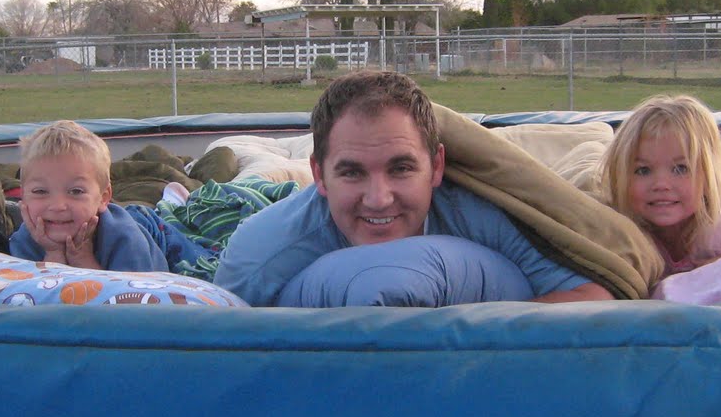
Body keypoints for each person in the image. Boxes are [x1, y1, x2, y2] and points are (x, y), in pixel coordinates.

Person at [214, 70, 615, 306]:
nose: (378, 198)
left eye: (401, 169)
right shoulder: (261, 253)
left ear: (436, 166)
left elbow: (591, 296)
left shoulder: (483, 214)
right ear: (318, 175)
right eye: (352, 173)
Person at [600, 94, 721, 275]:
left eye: (680, 169)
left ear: (709, 176)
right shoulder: (627, 237)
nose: (661, 185)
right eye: (643, 170)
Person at [7, 119, 191, 272]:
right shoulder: (23, 239)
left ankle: (174, 202)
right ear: (23, 196)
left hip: (151, 230)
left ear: (103, 197)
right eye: (40, 191)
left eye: (75, 191)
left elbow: (128, 302)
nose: (57, 205)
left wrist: (82, 259)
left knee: (197, 262)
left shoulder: (126, 239)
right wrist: (53, 255)